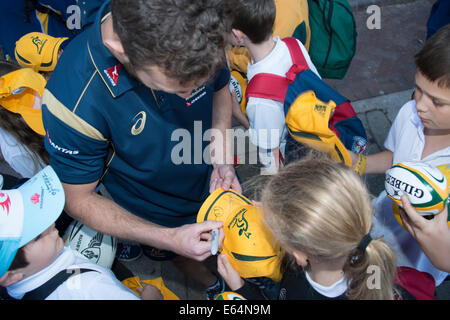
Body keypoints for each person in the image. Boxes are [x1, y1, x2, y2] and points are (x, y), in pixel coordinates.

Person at [41, 0, 238, 299]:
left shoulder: (199, 21)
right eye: (179, 89)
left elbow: (221, 88)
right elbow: (76, 198)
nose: (191, 97)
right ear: (121, 50)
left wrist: (222, 154)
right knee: (183, 255)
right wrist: (169, 237)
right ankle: (211, 285)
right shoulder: (73, 100)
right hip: (155, 211)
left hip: (209, 181)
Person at [217, 154, 419, 300]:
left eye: (271, 225)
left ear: (299, 255)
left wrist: (241, 290)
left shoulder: (301, 293)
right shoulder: (370, 266)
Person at [349, 24, 450, 286]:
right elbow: (396, 158)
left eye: (437, 102)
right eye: (417, 89)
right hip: (376, 226)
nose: (420, 105)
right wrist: (358, 163)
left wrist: (443, 254)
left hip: (414, 269)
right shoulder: (409, 114)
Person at [0, 166, 162, 300]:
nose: (50, 223)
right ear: (10, 276)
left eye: (38, 215)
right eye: (36, 235)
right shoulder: (91, 289)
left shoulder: (20, 286)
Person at [223, 0, 320, 173]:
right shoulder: (293, 45)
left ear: (237, 35)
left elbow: (272, 162)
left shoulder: (260, 102)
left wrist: (238, 113)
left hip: (292, 162)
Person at [0, 61, 48, 179]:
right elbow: (47, 182)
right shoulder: (16, 151)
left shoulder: (43, 89)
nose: (39, 96)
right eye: (24, 92)